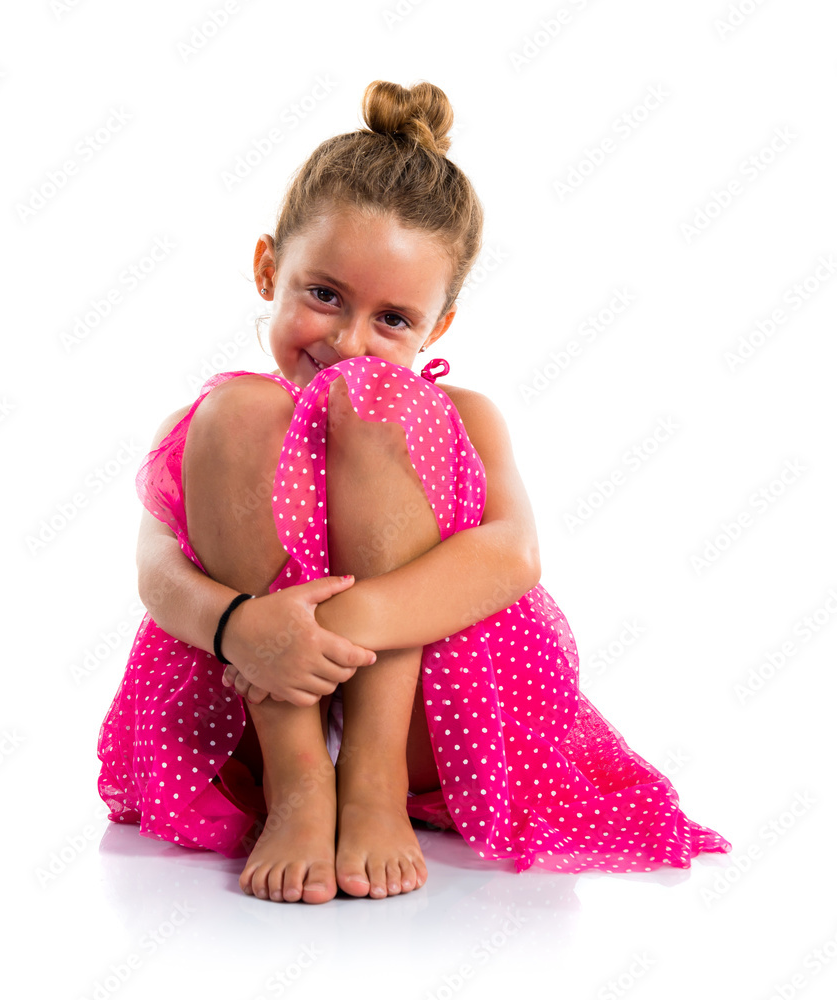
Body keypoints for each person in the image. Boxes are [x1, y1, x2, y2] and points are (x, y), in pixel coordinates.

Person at [96, 79, 731, 905]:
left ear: (439, 325)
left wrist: (325, 630)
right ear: (267, 268)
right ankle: (299, 788)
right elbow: (157, 573)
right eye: (323, 295)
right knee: (237, 409)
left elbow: (513, 554)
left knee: (377, 403)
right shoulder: (209, 423)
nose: (349, 342)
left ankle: (369, 780)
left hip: (436, 710)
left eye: (392, 319)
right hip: (246, 702)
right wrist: (244, 629)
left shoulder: (464, 414)